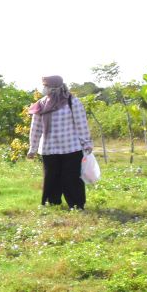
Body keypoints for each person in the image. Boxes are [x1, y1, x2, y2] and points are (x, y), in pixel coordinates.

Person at [27, 75, 92, 209]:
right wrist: (32, 148)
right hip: (49, 149)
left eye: (45, 86)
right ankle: (52, 203)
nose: (43, 88)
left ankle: (76, 205)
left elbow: (81, 124)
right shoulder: (41, 104)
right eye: (43, 85)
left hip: (71, 148)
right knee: (51, 177)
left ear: (54, 87)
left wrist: (86, 143)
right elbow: (36, 128)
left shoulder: (72, 102)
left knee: (72, 178)